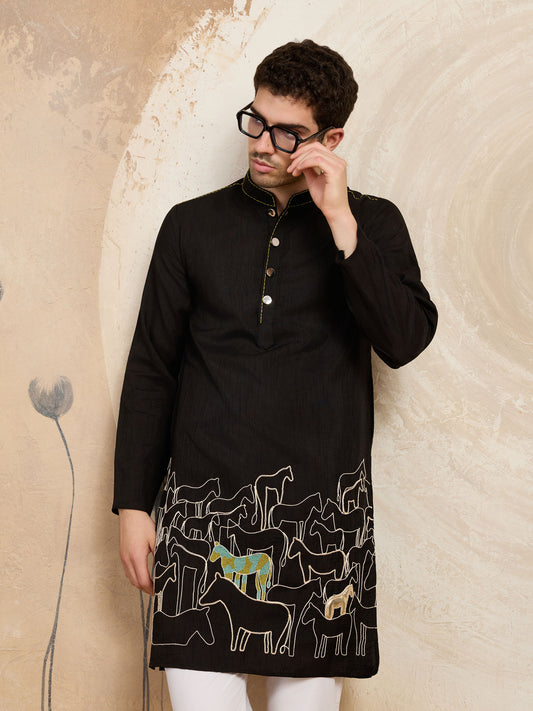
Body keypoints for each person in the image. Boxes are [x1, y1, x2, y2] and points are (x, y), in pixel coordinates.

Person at [113, 39, 437, 711]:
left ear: (330, 140)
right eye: (256, 120)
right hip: (203, 523)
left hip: (324, 532)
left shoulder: (372, 223)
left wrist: (340, 219)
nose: (261, 144)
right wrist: (134, 505)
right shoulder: (190, 226)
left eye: (287, 133)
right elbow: (152, 369)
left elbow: (404, 340)